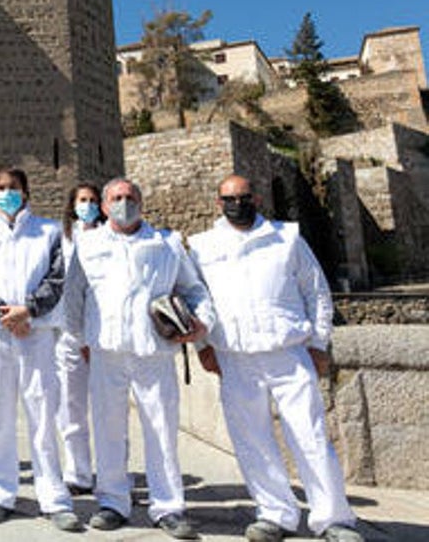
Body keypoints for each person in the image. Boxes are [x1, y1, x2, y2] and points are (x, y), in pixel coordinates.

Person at [189, 175, 363, 542]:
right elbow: (195, 300)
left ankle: (333, 519)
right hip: (234, 357)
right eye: (230, 197)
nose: (238, 203)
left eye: (245, 196)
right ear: (218, 203)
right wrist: (203, 348)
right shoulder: (202, 247)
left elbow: (316, 291)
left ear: (256, 199)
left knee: (311, 435)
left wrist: (318, 343)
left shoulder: (287, 239)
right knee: (251, 439)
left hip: (289, 353)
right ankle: (274, 513)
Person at [64, 177, 215, 540]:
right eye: (116, 197)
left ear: (141, 202)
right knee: (108, 428)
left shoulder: (165, 243)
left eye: (130, 196)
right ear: (103, 206)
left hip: (154, 351)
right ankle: (113, 501)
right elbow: (73, 298)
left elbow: (193, 290)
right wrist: (82, 339)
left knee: (162, 429)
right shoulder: (87, 244)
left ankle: (168, 506)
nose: (123, 202)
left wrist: (201, 325)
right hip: (107, 350)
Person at [0, 169, 80, 531]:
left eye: (13, 188)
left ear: (26, 192)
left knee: (43, 413)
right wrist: (2, 312)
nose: (7, 194)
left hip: (36, 331)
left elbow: (57, 278)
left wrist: (28, 309)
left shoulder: (48, 232)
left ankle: (53, 496)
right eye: (0, 189)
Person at [56, 183, 105, 496]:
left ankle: (113, 471)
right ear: (72, 205)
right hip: (67, 333)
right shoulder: (61, 240)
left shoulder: (109, 237)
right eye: (82, 200)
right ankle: (78, 472)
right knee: (70, 406)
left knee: (107, 407)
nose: (87, 205)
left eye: (92, 200)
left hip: (101, 332)